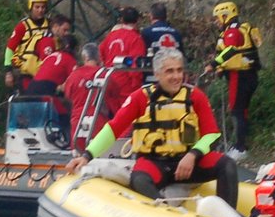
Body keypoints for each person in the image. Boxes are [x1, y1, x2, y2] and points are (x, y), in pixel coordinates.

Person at [65, 48, 240, 208]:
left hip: (186, 162)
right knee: (139, 179)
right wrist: (87, 156)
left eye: (179, 70)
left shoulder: (195, 96)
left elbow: (211, 134)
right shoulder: (141, 98)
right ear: (157, 74)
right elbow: (113, 129)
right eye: (169, 71)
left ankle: (228, 216)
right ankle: (163, 213)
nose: (176, 76)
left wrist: (192, 155)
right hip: (154, 162)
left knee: (227, 165)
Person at [206, 0, 260, 159]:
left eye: (217, 18)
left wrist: (214, 64)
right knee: (241, 110)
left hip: (240, 76)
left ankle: (240, 148)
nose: (216, 22)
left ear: (225, 16)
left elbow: (230, 50)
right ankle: (241, 145)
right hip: (248, 74)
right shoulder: (238, 29)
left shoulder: (233, 31)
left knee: (237, 110)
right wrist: (221, 68)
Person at [4, 0, 52, 93]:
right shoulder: (23, 26)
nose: (40, 10)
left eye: (43, 7)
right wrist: (8, 72)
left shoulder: (50, 24)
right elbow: (10, 49)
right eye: (37, 7)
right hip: (25, 72)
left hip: (45, 72)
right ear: (31, 6)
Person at [100, 6, 148, 108]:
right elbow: (136, 65)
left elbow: (100, 53)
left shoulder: (111, 36)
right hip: (126, 86)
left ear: (121, 20)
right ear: (137, 20)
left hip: (109, 81)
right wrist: (136, 86)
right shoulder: (136, 39)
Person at [63, 42, 105, 151]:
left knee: (77, 158)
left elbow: (68, 97)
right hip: (98, 120)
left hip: (78, 121)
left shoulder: (73, 75)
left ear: (84, 57)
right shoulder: (104, 74)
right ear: (99, 57)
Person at [140, 2, 182, 69]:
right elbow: (182, 56)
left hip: (152, 73)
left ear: (151, 16)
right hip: (172, 73)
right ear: (165, 16)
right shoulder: (176, 33)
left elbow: (141, 55)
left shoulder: (146, 32)